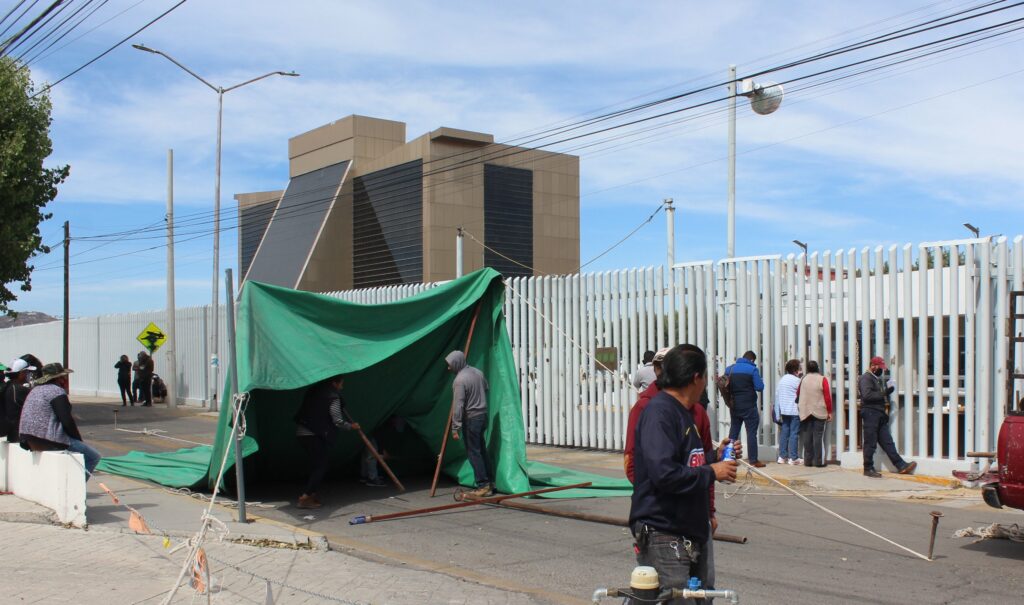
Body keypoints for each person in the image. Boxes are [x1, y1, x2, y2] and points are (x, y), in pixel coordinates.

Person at [630, 345, 740, 602]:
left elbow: (686, 462)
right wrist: (712, 471)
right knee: (676, 599)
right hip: (663, 530)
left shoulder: (687, 412)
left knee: (700, 596)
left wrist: (715, 457)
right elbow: (664, 474)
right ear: (695, 378)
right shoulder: (660, 413)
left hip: (689, 528)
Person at [18, 363, 102, 479]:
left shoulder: (35, 390)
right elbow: (66, 420)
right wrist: (78, 440)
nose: (65, 379)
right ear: (58, 378)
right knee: (93, 456)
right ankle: (76, 488)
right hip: (47, 439)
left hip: (28, 438)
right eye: (63, 377)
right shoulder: (56, 391)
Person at [294, 374, 364, 508]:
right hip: (314, 435)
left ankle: (311, 495)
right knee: (320, 466)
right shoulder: (333, 397)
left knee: (317, 465)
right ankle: (305, 497)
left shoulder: (313, 391)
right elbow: (337, 421)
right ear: (334, 383)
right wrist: (351, 426)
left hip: (303, 433)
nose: (342, 387)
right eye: (341, 384)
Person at [859, 356, 916, 477]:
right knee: (870, 442)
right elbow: (867, 396)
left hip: (878, 413)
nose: (882, 370)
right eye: (880, 368)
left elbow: (875, 394)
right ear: (873, 366)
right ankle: (868, 468)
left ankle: (900, 465)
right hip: (870, 413)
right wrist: (884, 393)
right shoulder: (865, 378)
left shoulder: (875, 379)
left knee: (887, 442)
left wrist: (885, 393)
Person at [446, 350, 493, 497]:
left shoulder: (459, 380)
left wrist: (455, 427)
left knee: (474, 452)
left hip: (472, 418)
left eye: (450, 365)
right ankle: (490, 482)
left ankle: (483, 485)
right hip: (483, 415)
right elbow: (486, 387)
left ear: (457, 363)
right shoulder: (477, 372)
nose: (449, 368)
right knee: (481, 449)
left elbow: (458, 405)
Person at [725, 350, 766, 467]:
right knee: (751, 433)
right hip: (749, 406)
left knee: (733, 432)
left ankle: (728, 458)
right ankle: (753, 460)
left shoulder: (729, 369)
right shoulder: (752, 369)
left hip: (734, 406)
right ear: (752, 360)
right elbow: (759, 387)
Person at [797, 360, 832, 468]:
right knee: (818, 437)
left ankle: (808, 461)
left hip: (805, 410)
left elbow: (797, 393)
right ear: (818, 368)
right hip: (819, 410)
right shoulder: (822, 379)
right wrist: (829, 411)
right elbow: (827, 396)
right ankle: (819, 461)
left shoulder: (803, 379)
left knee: (807, 436)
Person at [2, 358, 37, 442]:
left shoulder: (8, 386)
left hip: (12, 434)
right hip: (20, 435)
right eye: (28, 372)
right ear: (21, 373)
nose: (29, 375)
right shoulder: (19, 389)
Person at [774, 359, 802, 465]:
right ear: (796, 370)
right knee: (794, 433)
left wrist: (777, 412)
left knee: (784, 433)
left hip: (784, 411)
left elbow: (777, 396)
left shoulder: (782, 379)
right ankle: (793, 457)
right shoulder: (797, 381)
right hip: (794, 411)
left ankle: (782, 456)